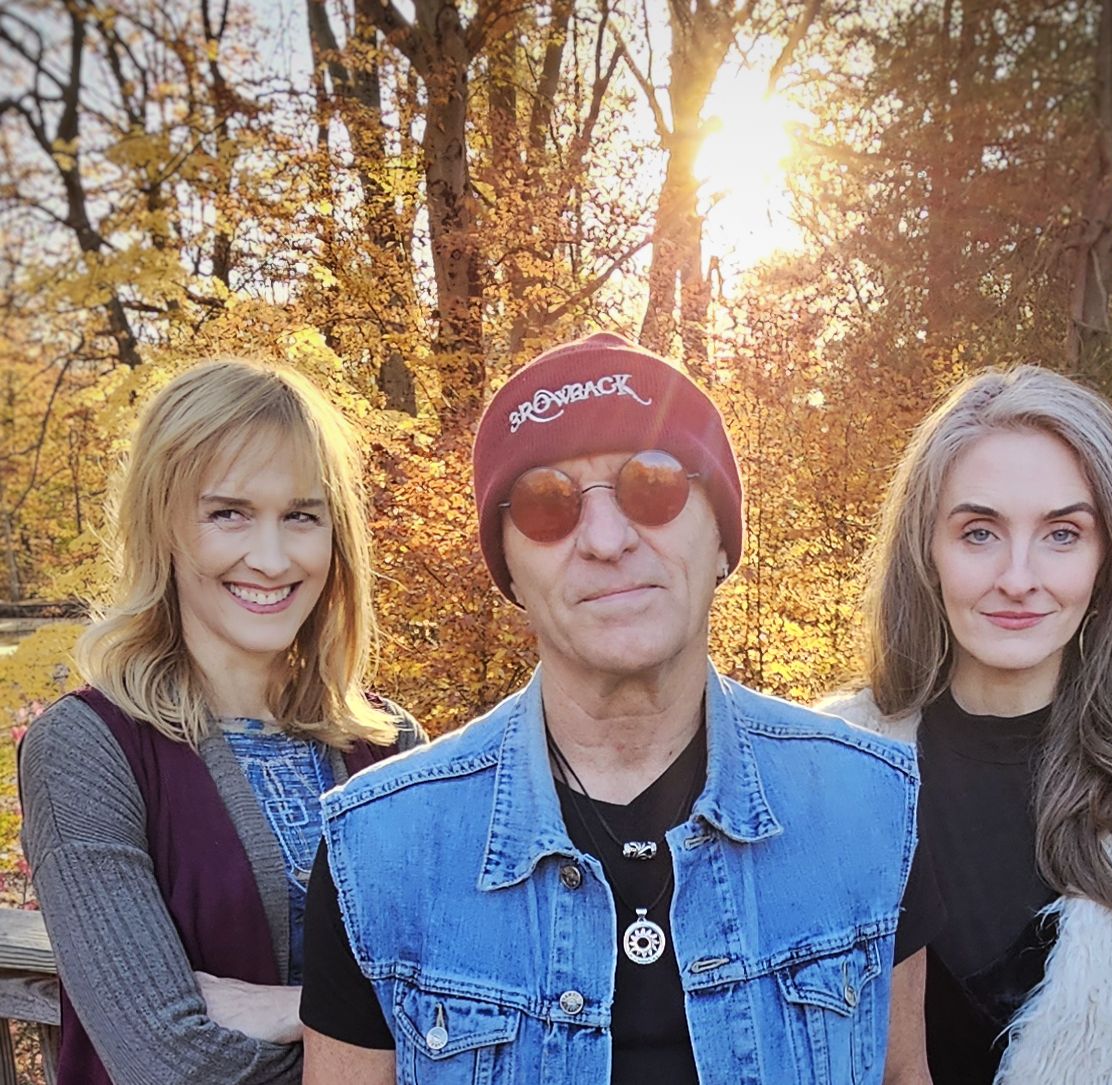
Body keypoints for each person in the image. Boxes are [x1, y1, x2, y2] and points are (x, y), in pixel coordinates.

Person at [299, 331, 940, 1083]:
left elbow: (903, 1073)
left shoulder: (868, 805)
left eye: (653, 486)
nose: (606, 539)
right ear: (510, 572)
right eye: (546, 504)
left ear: (723, 539)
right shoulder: (381, 852)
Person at [820, 365, 1112, 1085]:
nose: (1018, 577)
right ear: (926, 551)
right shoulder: (828, 762)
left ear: (1107, 557)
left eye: (1062, 533)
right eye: (979, 532)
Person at [20, 359, 423, 1085]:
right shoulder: (87, 750)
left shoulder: (392, 747)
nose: (270, 558)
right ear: (164, 527)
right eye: (228, 513)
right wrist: (399, 1036)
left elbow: (488, 1011)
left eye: (301, 515)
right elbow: (171, 1064)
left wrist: (289, 1008)